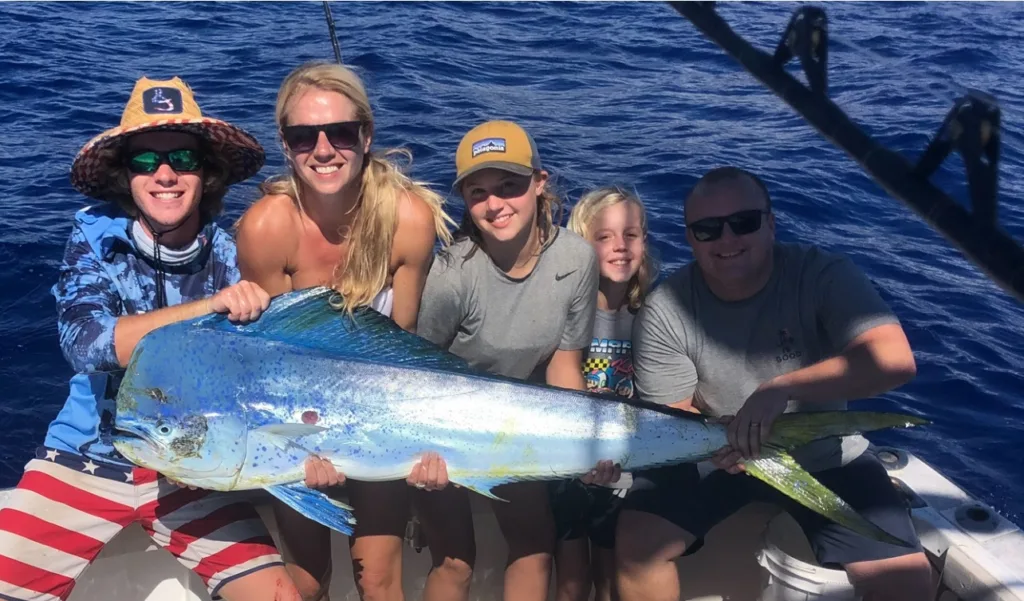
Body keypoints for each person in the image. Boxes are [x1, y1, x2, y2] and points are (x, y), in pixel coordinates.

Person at [0, 76, 304, 601]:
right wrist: (210, 306)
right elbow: (87, 345)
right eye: (145, 163)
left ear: (206, 174)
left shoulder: (234, 255)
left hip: (193, 465)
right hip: (86, 457)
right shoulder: (94, 239)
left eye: (183, 160)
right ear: (126, 178)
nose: (165, 175)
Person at [615, 166, 934, 601]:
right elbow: (674, 411)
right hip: (714, 457)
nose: (727, 241)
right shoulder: (667, 308)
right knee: (637, 544)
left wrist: (781, 389)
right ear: (690, 238)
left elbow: (893, 360)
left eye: (742, 223)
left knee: (908, 581)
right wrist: (720, 444)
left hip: (823, 456)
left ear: (770, 223)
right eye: (707, 230)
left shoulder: (821, 274)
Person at [233, 60, 455, 601]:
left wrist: (420, 446)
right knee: (307, 580)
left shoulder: (409, 220)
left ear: (367, 135)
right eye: (304, 136)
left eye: (341, 132)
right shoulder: (267, 227)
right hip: (296, 426)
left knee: (377, 577)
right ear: (286, 146)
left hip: (379, 417)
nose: (324, 149)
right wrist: (303, 448)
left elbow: (399, 350)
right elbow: (270, 360)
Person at [411, 120, 620, 601]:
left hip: (517, 425)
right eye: (478, 191)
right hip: (437, 430)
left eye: (510, 186)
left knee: (534, 546)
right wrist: (422, 457)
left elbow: (565, 366)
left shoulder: (577, 259)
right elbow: (415, 372)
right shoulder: (452, 275)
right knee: (456, 559)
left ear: (539, 183)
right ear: (463, 197)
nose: (495, 203)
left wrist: (585, 445)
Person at [548, 185, 658, 601]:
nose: (619, 247)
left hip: (626, 467)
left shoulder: (653, 314)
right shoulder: (565, 314)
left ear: (644, 243)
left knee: (616, 581)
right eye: (604, 237)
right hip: (568, 466)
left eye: (631, 235)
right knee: (572, 582)